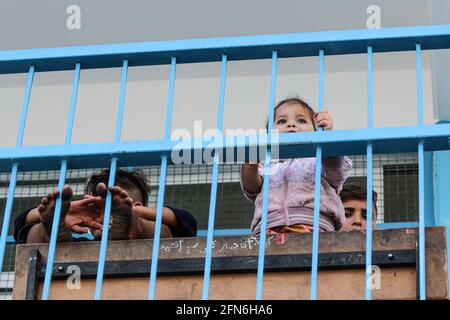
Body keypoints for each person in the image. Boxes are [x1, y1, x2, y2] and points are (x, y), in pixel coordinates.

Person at [240, 96, 352, 235]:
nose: (291, 124)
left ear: (317, 130)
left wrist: (326, 138)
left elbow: (336, 169)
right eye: (282, 121)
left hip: (314, 223)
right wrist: (250, 167)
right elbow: (253, 188)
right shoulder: (269, 164)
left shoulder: (319, 159)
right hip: (269, 225)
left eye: (301, 120)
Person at [14, 168, 197, 243]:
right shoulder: (82, 246)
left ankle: (134, 227)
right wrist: (63, 215)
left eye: (113, 210)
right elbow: (20, 226)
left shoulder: (154, 241)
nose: (104, 215)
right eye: (96, 209)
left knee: (161, 235)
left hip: (144, 250)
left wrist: (138, 214)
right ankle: (52, 230)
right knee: (49, 242)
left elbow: (188, 223)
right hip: (77, 265)